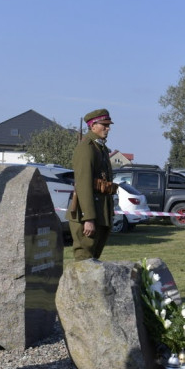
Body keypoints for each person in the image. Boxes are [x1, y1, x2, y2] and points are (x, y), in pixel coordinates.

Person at [68, 108, 117, 261]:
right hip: (89, 215)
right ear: (93, 125)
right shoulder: (86, 148)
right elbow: (83, 185)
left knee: (94, 260)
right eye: (104, 125)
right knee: (84, 261)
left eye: (108, 125)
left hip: (100, 213)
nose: (108, 128)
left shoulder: (99, 148)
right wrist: (88, 218)